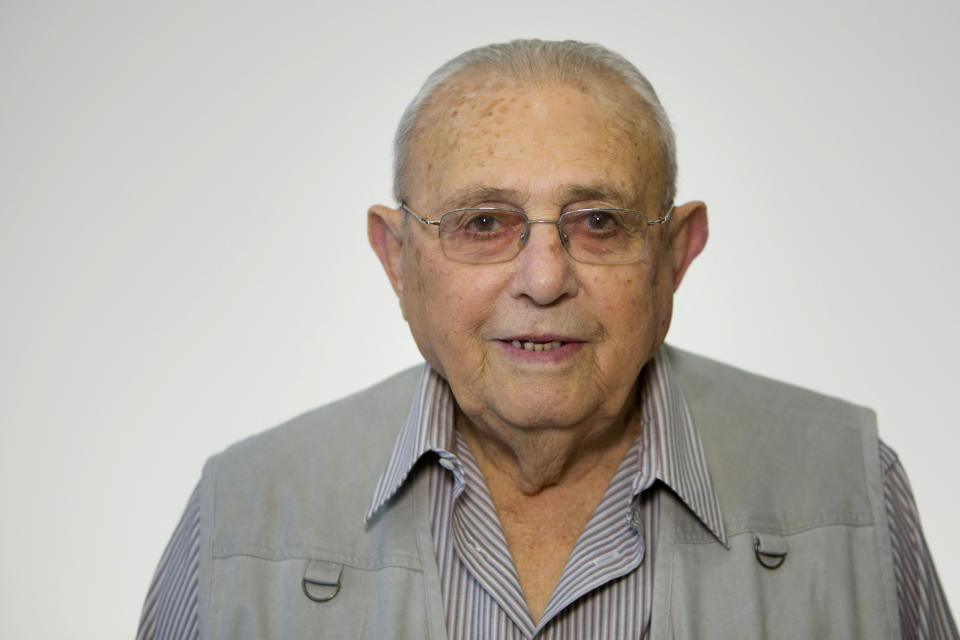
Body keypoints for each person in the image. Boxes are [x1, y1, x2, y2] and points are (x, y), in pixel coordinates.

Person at [137, 39, 957, 639]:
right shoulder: (241, 519)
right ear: (398, 259)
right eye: (483, 223)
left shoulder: (853, 496)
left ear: (674, 255)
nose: (542, 278)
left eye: (597, 221)